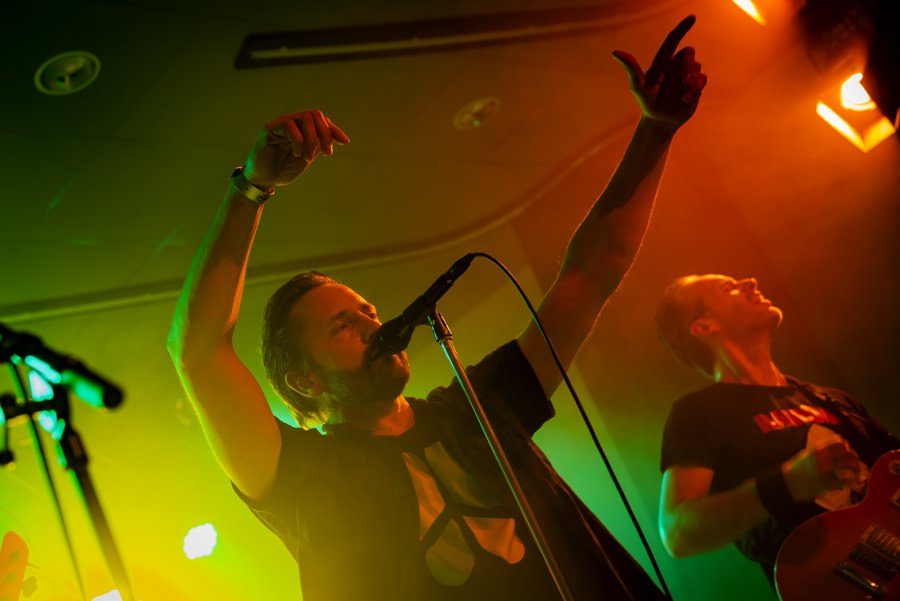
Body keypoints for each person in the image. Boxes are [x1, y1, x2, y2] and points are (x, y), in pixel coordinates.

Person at [168, 16, 706, 601]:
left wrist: (656, 131)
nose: (372, 325)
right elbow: (198, 352)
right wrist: (251, 187)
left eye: (368, 311)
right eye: (343, 327)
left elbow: (591, 275)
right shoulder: (303, 477)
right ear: (303, 379)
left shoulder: (479, 408)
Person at [655, 274, 899, 590]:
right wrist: (787, 484)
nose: (750, 281)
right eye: (728, 287)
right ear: (704, 327)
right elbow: (677, 534)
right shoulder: (698, 412)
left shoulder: (833, 400)